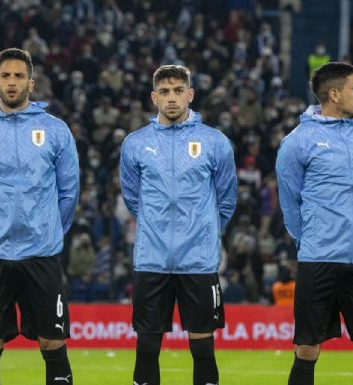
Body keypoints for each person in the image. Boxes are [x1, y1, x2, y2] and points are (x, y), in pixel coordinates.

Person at [0, 48, 79, 385]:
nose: (12, 82)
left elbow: (69, 192)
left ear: (31, 83)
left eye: (19, 76)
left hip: (41, 252)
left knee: (52, 341)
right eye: (6, 76)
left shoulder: (55, 131)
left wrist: (49, 229)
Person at [276, 62, 353, 385]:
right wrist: (311, 239)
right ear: (334, 94)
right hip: (319, 257)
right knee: (307, 348)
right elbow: (290, 203)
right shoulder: (297, 141)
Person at [119, 65, 237, 385]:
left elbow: (226, 200)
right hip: (151, 259)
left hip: (198, 260)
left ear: (190, 94)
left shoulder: (215, 142)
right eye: (165, 92)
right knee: (146, 347)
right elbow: (133, 199)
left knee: (202, 349)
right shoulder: (135, 143)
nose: (172, 98)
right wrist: (154, 226)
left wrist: (205, 231)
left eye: (178, 91)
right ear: (154, 97)